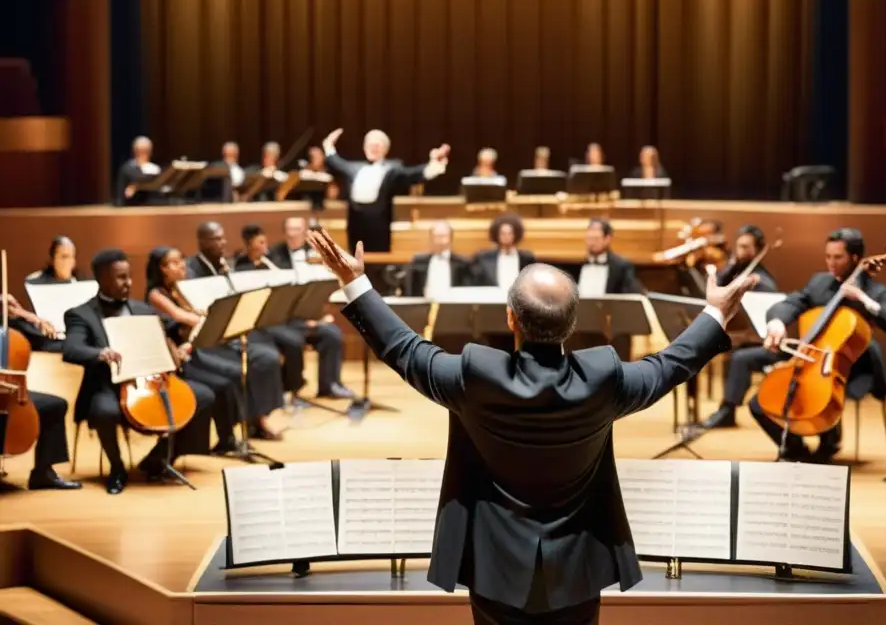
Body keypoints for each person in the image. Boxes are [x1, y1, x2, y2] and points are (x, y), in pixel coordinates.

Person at [308, 227, 758, 625]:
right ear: (573, 323)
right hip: (579, 568)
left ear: (510, 318)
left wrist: (355, 282)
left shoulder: (475, 376)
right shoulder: (603, 379)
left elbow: (404, 349)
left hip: (493, 566)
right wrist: (715, 313)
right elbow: (668, 367)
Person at [733, 229, 886, 462]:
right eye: (828, 257)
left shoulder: (875, 291)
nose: (831, 263)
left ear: (855, 258)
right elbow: (791, 303)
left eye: (838, 257)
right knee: (759, 404)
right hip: (813, 360)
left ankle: (829, 442)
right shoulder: (819, 282)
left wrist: (865, 301)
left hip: (854, 368)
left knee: (820, 398)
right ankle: (796, 450)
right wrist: (777, 323)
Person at [62, 249, 216, 494]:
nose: (129, 283)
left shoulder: (142, 309)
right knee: (104, 410)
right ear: (102, 279)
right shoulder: (81, 314)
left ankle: (159, 459)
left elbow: (165, 338)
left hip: (150, 380)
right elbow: (71, 349)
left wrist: (176, 350)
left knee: (204, 396)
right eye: (121, 278)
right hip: (107, 385)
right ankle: (117, 468)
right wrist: (100, 353)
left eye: (129, 276)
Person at [183, 222, 286, 438]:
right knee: (241, 369)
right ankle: (247, 424)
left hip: (228, 333)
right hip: (207, 340)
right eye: (216, 239)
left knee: (267, 358)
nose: (222, 243)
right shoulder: (191, 270)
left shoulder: (223, 265)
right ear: (202, 242)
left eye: (222, 238)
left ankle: (258, 418)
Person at [239, 222, 351, 400]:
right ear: (249, 245)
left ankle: (329, 385)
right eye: (260, 243)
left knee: (332, 334)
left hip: (290, 319)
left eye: (265, 242)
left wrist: (312, 318)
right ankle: (292, 388)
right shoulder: (242, 268)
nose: (265, 247)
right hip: (266, 324)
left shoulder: (269, 263)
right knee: (293, 340)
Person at [321, 127, 450, 252]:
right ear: (365, 147)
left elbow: (413, 174)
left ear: (385, 149)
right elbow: (336, 162)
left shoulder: (392, 168)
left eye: (378, 146)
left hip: (379, 227)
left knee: (378, 263)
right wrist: (328, 145)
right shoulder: (353, 168)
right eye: (370, 145)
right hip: (355, 226)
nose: (374, 148)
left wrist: (434, 164)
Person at [0, 294, 79, 490]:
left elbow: (41, 340)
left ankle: (43, 473)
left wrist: (26, 316)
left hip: (7, 391)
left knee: (55, 405)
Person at [404, 221, 476, 299]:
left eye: (443, 236)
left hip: (454, 306)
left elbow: (468, 290)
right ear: (431, 238)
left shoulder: (463, 263)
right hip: (424, 306)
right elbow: (411, 289)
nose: (440, 240)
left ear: (451, 238)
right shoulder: (418, 261)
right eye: (436, 236)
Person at [714, 225, 778, 292]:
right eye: (738, 246)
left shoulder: (762, 280)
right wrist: (731, 267)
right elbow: (717, 287)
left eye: (744, 247)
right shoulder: (734, 270)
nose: (739, 251)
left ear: (757, 250)